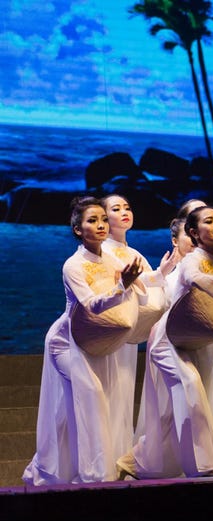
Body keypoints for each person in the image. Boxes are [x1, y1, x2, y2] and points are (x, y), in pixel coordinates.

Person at [116, 205, 213, 479]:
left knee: (190, 404)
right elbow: (197, 280)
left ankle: (136, 461)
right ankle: (202, 468)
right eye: (209, 222)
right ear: (193, 233)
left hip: (196, 342)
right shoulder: (191, 261)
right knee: (189, 388)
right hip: (169, 341)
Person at [23, 196, 145, 485]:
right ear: (78, 229)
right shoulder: (73, 265)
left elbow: (140, 284)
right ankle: (94, 475)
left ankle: (49, 467)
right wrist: (121, 288)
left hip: (95, 339)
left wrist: (164, 272)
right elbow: (90, 305)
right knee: (90, 395)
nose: (101, 225)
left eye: (103, 219)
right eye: (93, 221)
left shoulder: (112, 258)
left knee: (78, 406)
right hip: (66, 341)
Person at [101, 194, 181, 345]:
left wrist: (165, 269)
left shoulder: (133, 253)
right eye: (116, 209)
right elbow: (127, 282)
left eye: (127, 208)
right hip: (113, 326)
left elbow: (144, 281)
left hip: (131, 328)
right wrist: (161, 272)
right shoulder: (103, 252)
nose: (124, 212)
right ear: (103, 218)